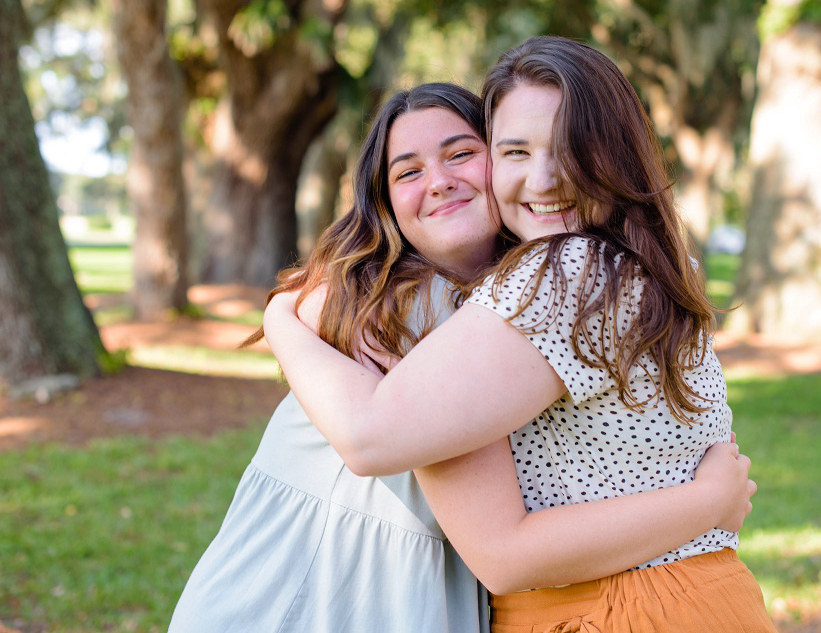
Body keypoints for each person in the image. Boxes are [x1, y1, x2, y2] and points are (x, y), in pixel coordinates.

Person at [169, 81, 756, 632]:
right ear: (385, 202)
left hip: (425, 588)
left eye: (460, 154)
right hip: (307, 589)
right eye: (409, 171)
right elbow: (369, 436)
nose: (440, 180)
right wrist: (706, 502)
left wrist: (279, 318)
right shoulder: (398, 307)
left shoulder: (524, 300)